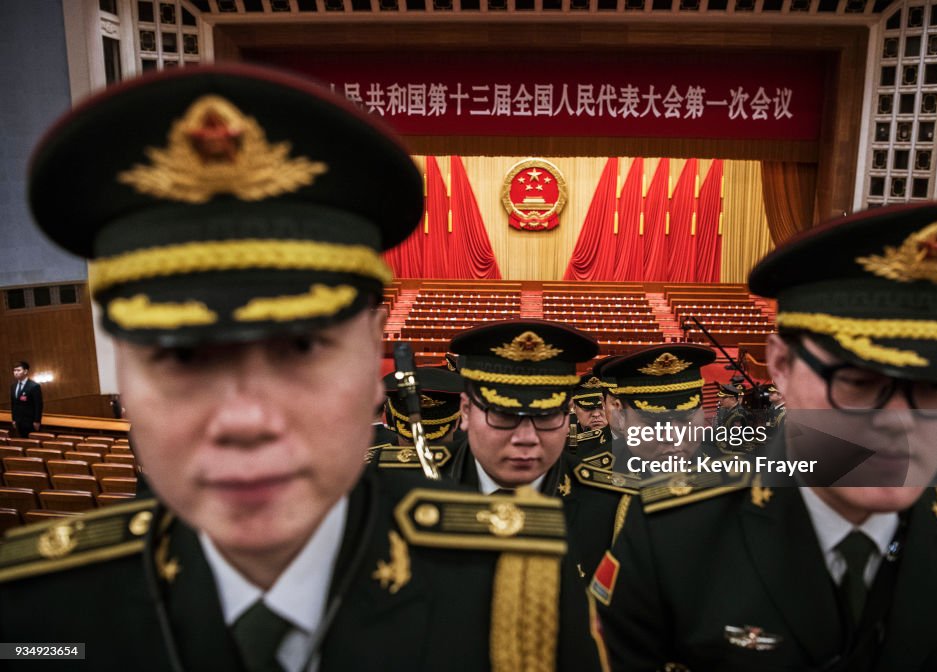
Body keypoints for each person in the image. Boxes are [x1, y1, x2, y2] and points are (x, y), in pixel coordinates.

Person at [0, 64, 601, 672]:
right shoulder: (38, 617)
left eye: (301, 350)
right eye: (182, 356)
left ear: (375, 357)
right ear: (124, 378)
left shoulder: (516, 589)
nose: (247, 420)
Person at [592, 202, 937, 671]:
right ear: (781, 366)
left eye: (936, 388)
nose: (902, 422)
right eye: (858, 382)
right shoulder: (672, 538)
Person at [443, 319, 637, 578]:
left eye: (546, 416)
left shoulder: (612, 503)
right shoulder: (410, 487)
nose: (526, 437)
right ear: (465, 411)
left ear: (567, 412)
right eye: (503, 415)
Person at [595, 345, 716, 474]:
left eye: (685, 419)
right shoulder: (593, 476)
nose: (674, 437)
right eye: (653, 424)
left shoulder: (731, 467)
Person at [367, 367, 462, 470]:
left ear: (394, 421)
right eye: (410, 441)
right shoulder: (471, 463)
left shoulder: (377, 465)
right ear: (456, 423)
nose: (422, 447)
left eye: (435, 441)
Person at [9, 361, 43, 437]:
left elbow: (38, 405)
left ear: (25, 371)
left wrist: (37, 421)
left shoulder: (34, 386)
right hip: (18, 421)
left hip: (30, 422)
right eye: (14, 370)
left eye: (18, 370)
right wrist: (13, 419)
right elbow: (13, 404)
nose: (16, 373)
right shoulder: (13, 386)